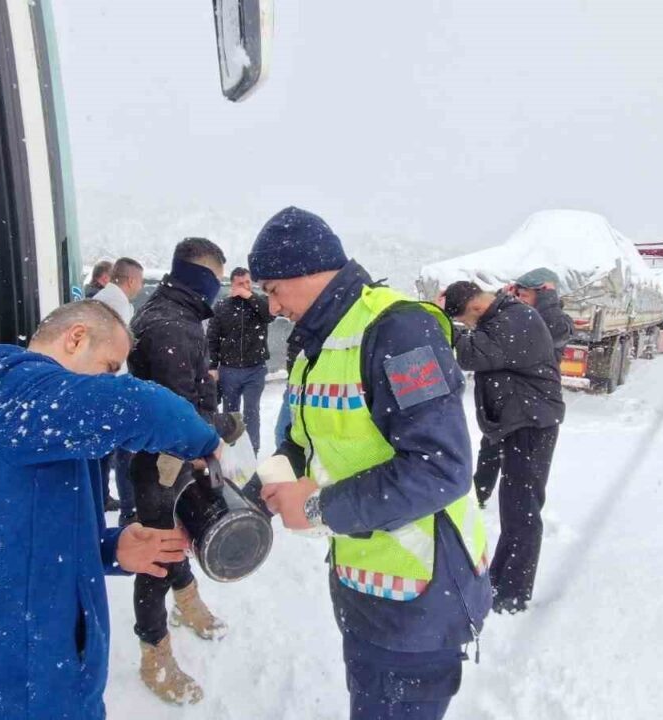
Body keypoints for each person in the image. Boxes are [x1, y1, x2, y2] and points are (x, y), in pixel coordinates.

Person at [0, 300, 221, 720]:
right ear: (75, 338)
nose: (112, 379)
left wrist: (113, 549)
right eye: (110, 366)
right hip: (7, 687)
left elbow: (18, 539)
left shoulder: (30, 420)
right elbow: (139, 406)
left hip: (32, 672)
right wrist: (209, 443)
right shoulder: (12, 395)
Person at [251, 207, 490, 720]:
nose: (272, 306)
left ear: (309, 271)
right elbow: (301, 440)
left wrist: (316, 507)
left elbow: (440, 467)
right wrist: (263, 486)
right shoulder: (313, 347)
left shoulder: (398, 331)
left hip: (420, 599)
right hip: (366, 586)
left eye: (274, 290)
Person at [127, 237, 244, 704]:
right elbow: (179, 417)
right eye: (215, 281)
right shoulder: (177, 327)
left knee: (176, 536)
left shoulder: (162, 311)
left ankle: (188, 601)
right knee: (158, 553)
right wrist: (225, 425)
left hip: (155, 457)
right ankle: (154, 655)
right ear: (203, 279)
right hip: (164, 460)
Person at [442, 280, 565, 614]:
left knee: (522, 510)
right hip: (518, 420)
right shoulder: (503, 317)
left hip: (531, 423)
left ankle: (513, 593)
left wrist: (437, 324)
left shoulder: (516, 319)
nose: (469, 328)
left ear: (477, 308)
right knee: (515, 507)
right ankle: (501, 579)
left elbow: (470, 353)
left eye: (468, 321)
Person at [473, 267, 574, 506]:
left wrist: (547, 300)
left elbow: (554, 331)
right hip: (503, 402)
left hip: (530, 408)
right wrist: (501, 298)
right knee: (489, 451)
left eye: (525, 294)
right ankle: (479, 495)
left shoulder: (556, 321)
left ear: (544, 296)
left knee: (522, 481)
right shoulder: (512, 317)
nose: (519, 299)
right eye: (517, 293)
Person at [92, 257, 145, 520]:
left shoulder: (103, 299)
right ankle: (129, 510)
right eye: (141, 281)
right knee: (125, 452)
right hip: (111, 389)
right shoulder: (116, 304)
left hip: (101, 387)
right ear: (132, 280)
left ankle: (102, 499)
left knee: (103, 454)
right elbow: (115, 354)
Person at [207, 267, 273, 455]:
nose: (244, 287)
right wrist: (212, 366)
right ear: (232, 285)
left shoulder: (260, 302)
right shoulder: (222, 306)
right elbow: (212, 337)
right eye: (240, 284)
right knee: (231, 412)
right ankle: (232, 450)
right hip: (229, 370)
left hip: (255, 369)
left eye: (247, 283)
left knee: (252, 411)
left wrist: (249, 296)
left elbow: (269, 315)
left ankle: (252, 450)